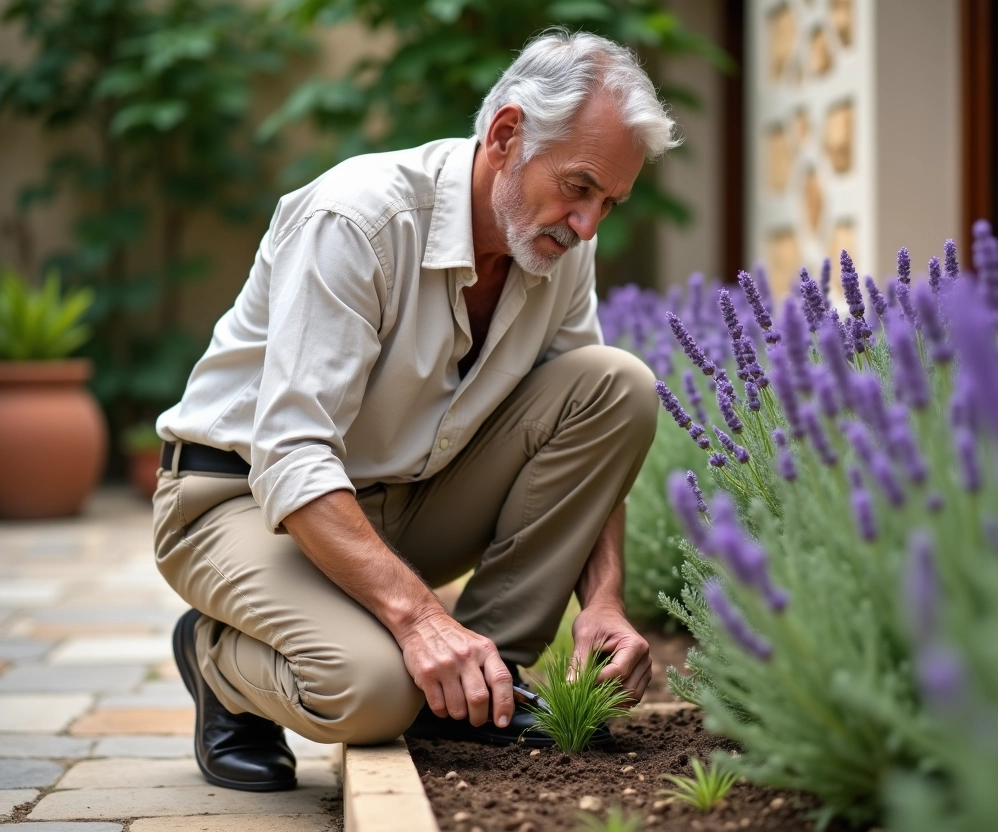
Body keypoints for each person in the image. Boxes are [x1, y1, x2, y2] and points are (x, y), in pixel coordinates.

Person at [152, 29, 675, 792]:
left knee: (617, 384)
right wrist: (421, 620)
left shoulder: (558, 245)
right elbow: (293, 455)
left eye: (609, 203)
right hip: (239, 501)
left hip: (398, 499)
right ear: (506, 135)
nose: (589, 224)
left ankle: (478, 684)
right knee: (373, 692)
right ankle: (216, 660)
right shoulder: (356, 220)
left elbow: (588, 415)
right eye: (579, 186)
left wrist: (603, 600)